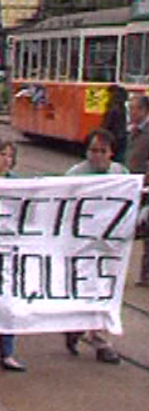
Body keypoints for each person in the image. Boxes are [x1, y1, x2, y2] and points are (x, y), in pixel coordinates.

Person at [62, 128, 124, 364]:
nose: (97, 155)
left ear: (111, 153)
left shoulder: (121, 174)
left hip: (109, 247)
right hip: (82, 246)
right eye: (92, 150)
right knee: (83, 289)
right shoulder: (74, 176)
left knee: (105, 292)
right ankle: (75, 327)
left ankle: (101, 341)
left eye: (102, 151)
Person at [0, 139, 28, 372]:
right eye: (2, 154)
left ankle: (7, 353)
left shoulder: (20, 186)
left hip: (8, 252)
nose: (6, 160)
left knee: (7, 301)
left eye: (10, 156)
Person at [125, 95, 149, 286]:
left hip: (144, 189)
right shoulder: (134, 131)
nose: (130, 112)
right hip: (131, 187)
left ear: (143, 110)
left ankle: (146, 275)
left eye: (133, 109)